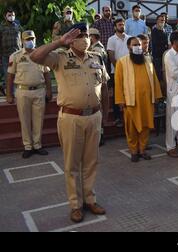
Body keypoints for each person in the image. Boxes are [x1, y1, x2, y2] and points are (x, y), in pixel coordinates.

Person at [30, 23, 110, 223]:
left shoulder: (97, 58)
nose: (85, 38)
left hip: (94, 116)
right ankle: (75, 205)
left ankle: (90, 199)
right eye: (80, 35)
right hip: (71, 118)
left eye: (86, 34)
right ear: (71, 38)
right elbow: (35, 56)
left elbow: (105, 88)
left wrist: (105, 116)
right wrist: (59, 42)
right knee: (72, 164)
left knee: (92, 162)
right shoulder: (60, 57)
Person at [115, 37, 163, 162]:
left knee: (146, 125)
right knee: (131, 127)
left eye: (139, 45)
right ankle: (133, 151)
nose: (138, 47)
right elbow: (118, 82)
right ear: (128, 47)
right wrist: (120, 100)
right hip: (131, 101)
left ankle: (142, 150)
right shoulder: (122, 62)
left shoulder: (148, 60)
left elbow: (154, 79)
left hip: (147, 100)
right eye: (135, 45)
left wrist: (157, 95)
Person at [6, 30, 52, 158]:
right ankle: (27, 146)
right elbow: (10, 76)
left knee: (39, 119)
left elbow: (47, 73)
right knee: (24, 120)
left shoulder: (41, 55)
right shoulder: (15, 56)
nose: (30, 41)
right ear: (22, 41)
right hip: (22, 91)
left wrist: (49, 91)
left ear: (35, 39)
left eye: (31, 38)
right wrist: (9, 94)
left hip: (39, 90)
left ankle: (37, 145)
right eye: (27, 39)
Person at [107, 18, 130, 127]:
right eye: (119, 24)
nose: (122, 26)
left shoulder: (130, 38)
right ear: (115, 27)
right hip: (116, 71)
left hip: (129, 70)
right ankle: (117, 118)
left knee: (129, 93)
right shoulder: (111, 39)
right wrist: (118, 68)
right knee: (118, 94)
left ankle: (128, 117)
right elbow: (111, 55)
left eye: (123, 24)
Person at [0, 8, 22, 95]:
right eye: (9, 15)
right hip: (5, 55)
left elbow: (22, 37)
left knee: (17, 74)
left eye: (13, 15)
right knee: (7, 75)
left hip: (17, 54)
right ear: (5, 16)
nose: (11, 17)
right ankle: (10, 94)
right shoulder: (1, 27)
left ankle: (9, 89)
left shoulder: (17, 25)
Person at [151, 14, 169, 88]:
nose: (162, 21)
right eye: (161, 20)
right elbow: (156, 42)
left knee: (164, 74)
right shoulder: (154, 31)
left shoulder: (165, 32)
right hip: (157, 57)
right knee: (158, 75)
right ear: (157, 21)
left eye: (164, 20)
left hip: (164, 56)